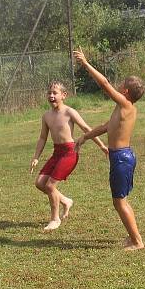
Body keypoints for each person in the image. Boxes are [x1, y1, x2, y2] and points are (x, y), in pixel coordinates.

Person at [73, 50, 145, 251]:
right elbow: (106, 127)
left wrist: (86, 64)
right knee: (121, 201)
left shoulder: (125, 104)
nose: (118, 85)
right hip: (121, 157)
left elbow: (104, 83)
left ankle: (137, 241)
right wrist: (84, 137)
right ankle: (133, 237)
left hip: (122, 158)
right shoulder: (123, 108)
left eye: (122, 84)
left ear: (125, 92)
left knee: (119, 202)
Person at [30, 81, 108, 231]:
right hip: (56, 153)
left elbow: (86, 128)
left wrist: (102, 146)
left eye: (55, 93)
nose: (51, 95)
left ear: (64, 95)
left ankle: (55, 219)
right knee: (40, 183)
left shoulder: (69, 112)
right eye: (49, 93)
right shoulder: (46, 116)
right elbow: (42, 138)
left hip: (69, 153)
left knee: (50, 185)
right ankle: (65, 201)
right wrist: (36, 157)